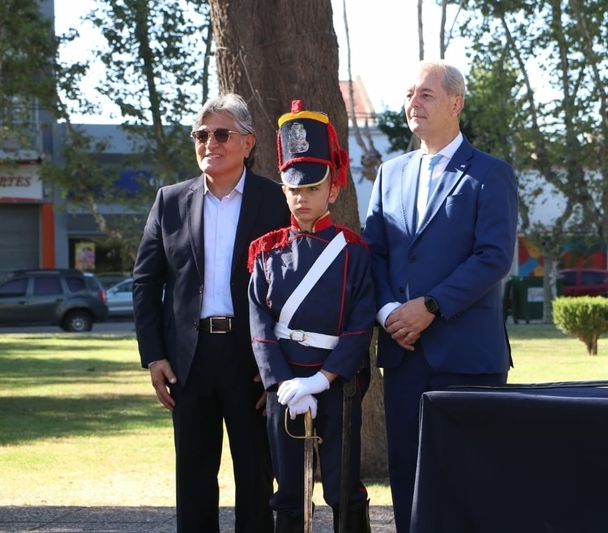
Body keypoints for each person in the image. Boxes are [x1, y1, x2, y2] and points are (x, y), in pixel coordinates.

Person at [361, 60, 518, 533]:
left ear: (456, 103)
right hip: (404, 356)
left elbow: (493, 256)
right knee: (409, 483)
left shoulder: (491, 173)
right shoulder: (390, 174)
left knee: (471, 484)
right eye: (409, 94)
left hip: (468, 358)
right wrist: (390, 311)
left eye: (426, 94)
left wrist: (429, 306)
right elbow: (373, 253)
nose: (414, 103)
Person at [132, 93, 290, 533]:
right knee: (195, 481)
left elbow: (293, 285)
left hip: (252, 360)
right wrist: (155, 356)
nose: (209, 143)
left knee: (257, 479)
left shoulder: (277, 202)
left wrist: (277, 365)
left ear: (248, 143)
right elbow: (146, 283)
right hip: (189, 362)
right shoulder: (169, 201)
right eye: (201, 135)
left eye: (222, 133)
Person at [248, 100, 374, 533]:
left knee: (343, 486)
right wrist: (283, 382)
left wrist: (323, 380)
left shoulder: (354, 251)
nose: (302, 198)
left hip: (336, 384)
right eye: (293, 189)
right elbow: (260, 324)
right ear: (283, 189)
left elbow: (361, 323)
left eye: (312, 189)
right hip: (285, 385)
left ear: (332, 190)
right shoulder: (265, 252)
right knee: (289, 490)